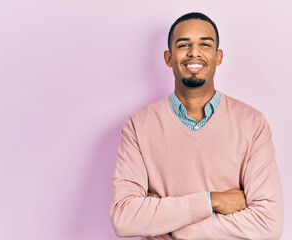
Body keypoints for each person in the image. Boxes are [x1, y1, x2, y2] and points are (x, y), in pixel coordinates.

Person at [110, 12, 283, 240]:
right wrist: (214, 201)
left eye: (205, 44)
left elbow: (268, 225)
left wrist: (168, 227)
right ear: (169, 58)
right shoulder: (138, 126)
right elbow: (124, 219)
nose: (194, 52)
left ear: (218, 56)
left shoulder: (252, 123)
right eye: (184, 45)